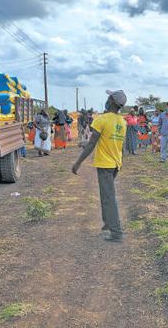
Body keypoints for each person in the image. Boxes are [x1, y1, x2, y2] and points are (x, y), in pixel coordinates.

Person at [72, 90, 127, 242]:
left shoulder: (102, 120)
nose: (107, 100)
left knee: (109, 197)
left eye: (108, 98)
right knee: (105, 195)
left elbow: (91, 144)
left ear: (111, 102)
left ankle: (116, 233)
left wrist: (77, 163)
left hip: (105, 164)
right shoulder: (122, 122)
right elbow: (117, 144)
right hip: (115, 163)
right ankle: (108, 224)